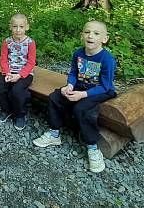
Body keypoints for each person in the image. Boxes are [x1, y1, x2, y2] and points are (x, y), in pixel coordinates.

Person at [32, 20, 116, 173]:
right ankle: (54, 133)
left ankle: (92, 147)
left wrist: (83, 95)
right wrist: (69, 86)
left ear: (104, 39)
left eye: (96, 34)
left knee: (82, 109)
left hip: (101, 91)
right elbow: (73, 73)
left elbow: (105, 85)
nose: (91, 36)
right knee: (55, 97)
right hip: (80, 86)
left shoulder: (106, 59)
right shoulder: (78, 53)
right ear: (81, 35)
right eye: (87, 32)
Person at [0, 14, 36, 131]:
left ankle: (20, 115)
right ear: (10, 27)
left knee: (17, 91)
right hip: (9, 72)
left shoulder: (30, 43)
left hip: (25, 73)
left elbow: (31, 63)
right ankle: (7, 109)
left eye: (21, 27)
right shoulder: (7, 42)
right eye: (15, 26)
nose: (18, 30)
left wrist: (19, 75)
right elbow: (3, 59)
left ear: (26, 27)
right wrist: (7, 73)